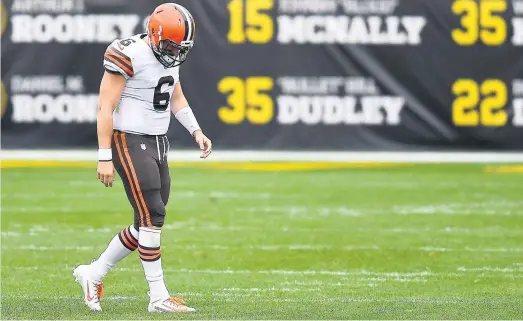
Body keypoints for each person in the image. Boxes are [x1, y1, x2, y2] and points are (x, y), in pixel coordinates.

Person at [72, 3, 211, 313]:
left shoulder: (168, 56)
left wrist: (195, 130)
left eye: (180, 46)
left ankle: (92, 273)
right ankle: (158, 297)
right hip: (130, 140)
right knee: (153, 216)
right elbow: (105, 106)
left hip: (159, 141)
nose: (175, 51)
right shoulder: (129, 53)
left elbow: (175, 95)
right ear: (154, 34)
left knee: (146, 222)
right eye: (171, 44)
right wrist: (104, 156)